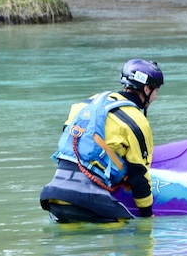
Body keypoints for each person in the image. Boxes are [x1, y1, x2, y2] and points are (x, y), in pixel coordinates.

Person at [40, 59, 164, 223]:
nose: (155, 96)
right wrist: (148, 215)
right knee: (130, 233)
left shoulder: (86, 104)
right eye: (156, 90)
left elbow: (69, 137)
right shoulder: (137, 121)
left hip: (53, 198)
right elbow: (139, 175)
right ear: (146, 89)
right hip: (89, 204)